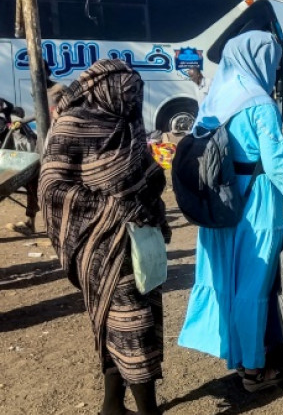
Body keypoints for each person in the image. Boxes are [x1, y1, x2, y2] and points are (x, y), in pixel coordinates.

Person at [178, 32, 283, 393]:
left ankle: (237, 354)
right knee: (252, 286)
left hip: (219, 201)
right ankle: (253, 369)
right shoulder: (260, 104)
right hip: (255, 202)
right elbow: (276, 167)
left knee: (225, 281)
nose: (274, 67)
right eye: (273, 60)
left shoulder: (215, 97)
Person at [40, 60, 169, 415]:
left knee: (127, 325)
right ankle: (148, 410)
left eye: (136, 97)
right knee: (133, 326)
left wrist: (150, 200)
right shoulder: (72, 125)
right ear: (103, 89)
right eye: (127, 95)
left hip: (139, 242)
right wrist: (115, 208)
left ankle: (112, 406)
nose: (133, 102)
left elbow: (148, 171)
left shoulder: (127, 121)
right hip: (99, 247)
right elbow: (52, 189)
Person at [8, 62, 65, 235]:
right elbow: (42, 113)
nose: (38, 78)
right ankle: (30, 222)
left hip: (60, 143)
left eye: (41, 74)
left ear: (47, 73)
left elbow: (72, 110)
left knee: (58, 183)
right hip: (43, 142)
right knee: (33, 180)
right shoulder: (37, 91)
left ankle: (62, 226)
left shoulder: (60, 89)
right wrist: (22, 121)